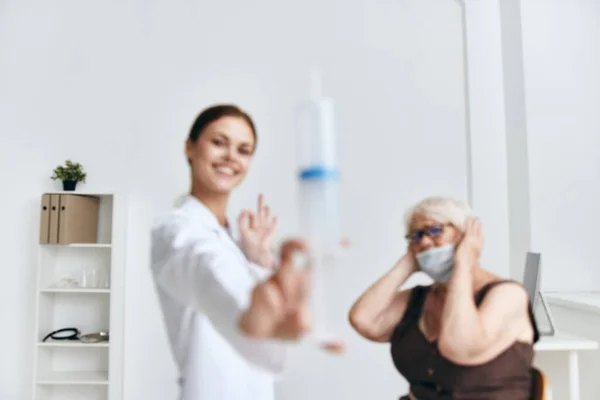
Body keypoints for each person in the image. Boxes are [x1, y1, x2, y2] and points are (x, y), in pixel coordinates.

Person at [150, 104, 314, 400]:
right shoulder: (175, 230)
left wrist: (259, 260)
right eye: (218, 143)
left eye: (244, 150)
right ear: (190, 148)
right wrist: (249, 309)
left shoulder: (240, 240)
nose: (231, 157)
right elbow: (206, 267)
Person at [348, 196, 540, 400]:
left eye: (434, 231)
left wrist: (464, 264)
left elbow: (460, 348)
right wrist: (408, 263)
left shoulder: (508, 295)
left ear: (464, 235)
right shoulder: (421, 297)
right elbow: (364, 320)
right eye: (416, 235)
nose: (424, 241)